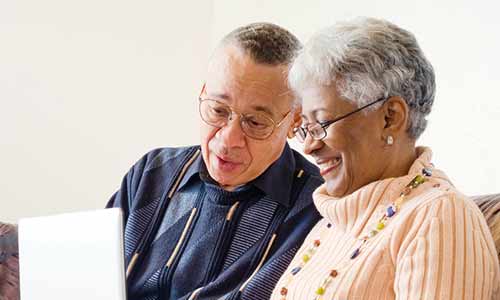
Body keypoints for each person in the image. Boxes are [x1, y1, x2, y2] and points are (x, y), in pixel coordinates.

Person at [271, 17, 500, 299]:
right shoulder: (334, 220)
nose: (309, 146)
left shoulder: (438, 218)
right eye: (306, 127)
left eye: (323, 123)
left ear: (391, 118)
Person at [106, 23, 323, 300]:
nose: (229, 139)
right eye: (218, 110)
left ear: (294, 121)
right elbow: (88, 276)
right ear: (203, 92)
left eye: (255, 122)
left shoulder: (316, 209)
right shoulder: (151, 173)